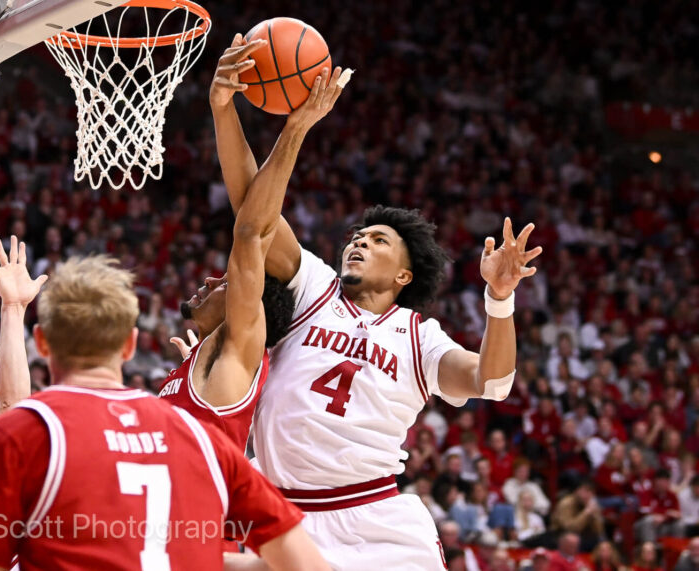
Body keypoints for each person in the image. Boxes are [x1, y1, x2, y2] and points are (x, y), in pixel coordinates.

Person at [212, 32, 543, 570]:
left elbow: (495, 381)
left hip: (374, 520)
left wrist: (498, 299)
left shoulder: (418, 336)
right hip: (279, 516)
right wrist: (224, 111)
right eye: (357, 237)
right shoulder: (312, 289)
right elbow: (253, 212)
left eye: (378, 240)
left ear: (406, 273)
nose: (360, 241)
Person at [0, 250, 329, 570]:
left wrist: (12, 309)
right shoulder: (199, 439)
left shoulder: (23, 433)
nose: (213, 280)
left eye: (226, 282)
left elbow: (249, 242)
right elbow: (305, 563)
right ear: (130, 345)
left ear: (41, 342)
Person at [156, 42, 346, 450]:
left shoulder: (242, 343)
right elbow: (250, 217)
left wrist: (296, 127)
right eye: (227, 280)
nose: (212, 277)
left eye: (228, 281)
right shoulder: (205, 361)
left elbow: (250, 230)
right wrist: (222, 107)